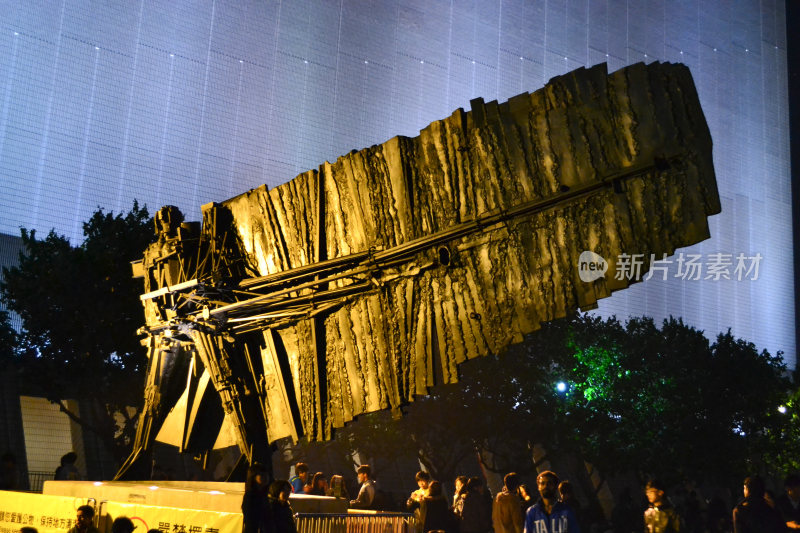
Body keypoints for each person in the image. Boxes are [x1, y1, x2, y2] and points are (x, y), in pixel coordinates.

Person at [242, 463, 273, 533]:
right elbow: (250, 520)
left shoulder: (264, 495)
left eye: (266, 474)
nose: (265, 477)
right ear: (253, 477)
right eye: (261, 475)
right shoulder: (250, 496)